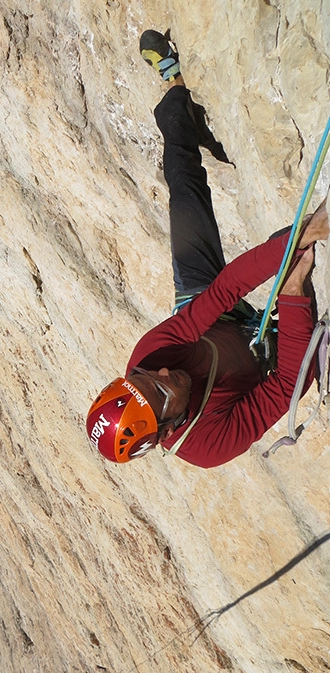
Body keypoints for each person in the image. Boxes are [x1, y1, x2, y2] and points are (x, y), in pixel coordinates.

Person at [86, 30, 329, 469]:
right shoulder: (207, 443)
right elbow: (288, 384)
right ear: (164, 430)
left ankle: (174, 92)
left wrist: (299, 240)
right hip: (270, 356)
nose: (161, 373)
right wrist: (293, 294)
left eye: (141, 377)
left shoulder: (149, 358)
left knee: (184, 190)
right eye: (160, 391)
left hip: (211, 311)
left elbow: (221, 294)